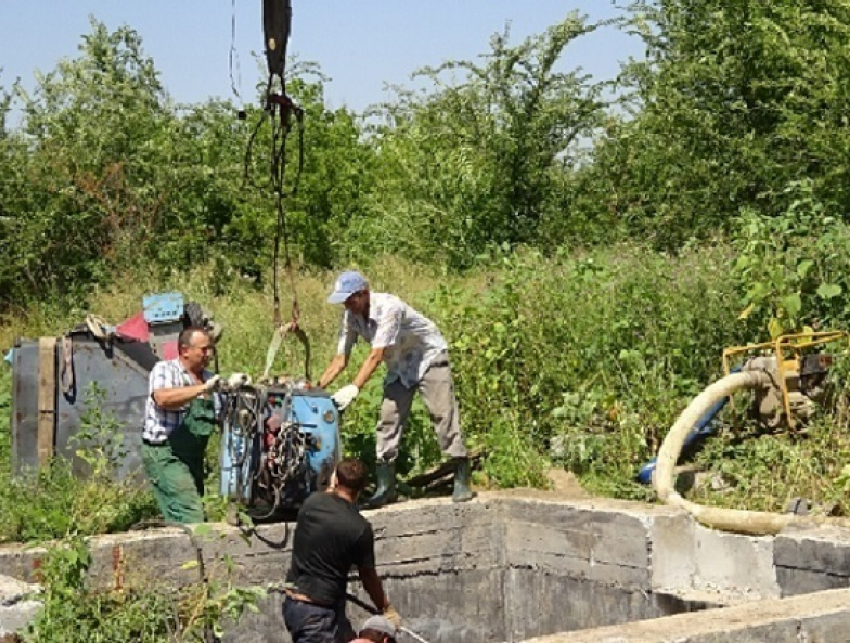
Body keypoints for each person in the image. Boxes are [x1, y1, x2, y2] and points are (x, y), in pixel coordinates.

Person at [318, 270, 475, 508]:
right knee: (388, 420)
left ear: (364, 293)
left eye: (350, 299)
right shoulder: (351, 317)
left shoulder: (389, 308)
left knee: (443, 416)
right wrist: (315, 388)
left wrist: (354, 388)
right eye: (343, 300)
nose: (347, 304)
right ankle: (386, 487)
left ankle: (461, 473)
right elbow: (341, 358)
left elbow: (376, 355)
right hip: (400, 366)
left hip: (428, 358)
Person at [283, 458, 401, 643]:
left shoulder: (311, 503)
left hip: (297, 603)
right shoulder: (359, 528)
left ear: (335, 480)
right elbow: (368, 577)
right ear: (362, 489)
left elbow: (328, 493)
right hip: (317, 614)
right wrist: (385, 608)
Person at [142, 327, 222, 524]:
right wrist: (202, 389)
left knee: (185, 511)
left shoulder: (210, 378)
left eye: (210, 349)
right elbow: (162, 398)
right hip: (165, 453)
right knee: (191, 515)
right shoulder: (165, 370)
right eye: (204, 350)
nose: (209, 354)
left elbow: (224, 416)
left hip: (192, 458)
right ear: (185, 350)